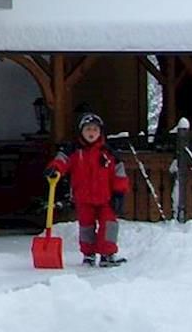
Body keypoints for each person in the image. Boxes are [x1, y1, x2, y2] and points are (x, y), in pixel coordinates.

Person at [44, 112, 130, 267]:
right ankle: (88, 254)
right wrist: (54, 169)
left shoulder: (109, 153)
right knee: (86, 227)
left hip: (106, 198)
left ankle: (107, 254)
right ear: (81, 132)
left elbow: (119, 173)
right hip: (83, 197)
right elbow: (61, 161)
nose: (91, 133)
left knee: (109, 226)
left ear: (100, 132)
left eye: (95, 130)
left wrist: (119, 192)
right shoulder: (74, 151)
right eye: (88, 129)